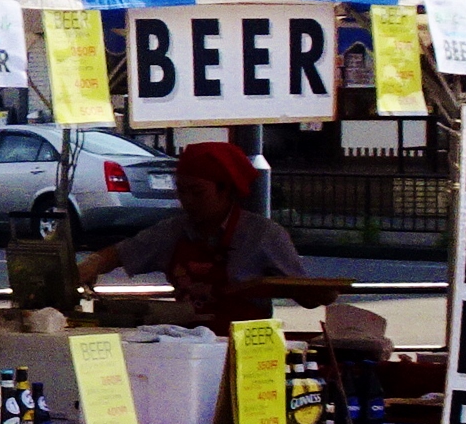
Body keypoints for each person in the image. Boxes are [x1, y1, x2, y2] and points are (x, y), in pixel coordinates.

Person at [76, 139, 313, 327]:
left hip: (247, 345)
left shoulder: (264, 235)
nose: (187, 200)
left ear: (225, 191)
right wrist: (91, 265)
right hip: (187, 341)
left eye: (197, 192)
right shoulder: (172, 231)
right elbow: (119, 253)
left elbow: (308, 296)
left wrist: (317, 294)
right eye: (181, 191)